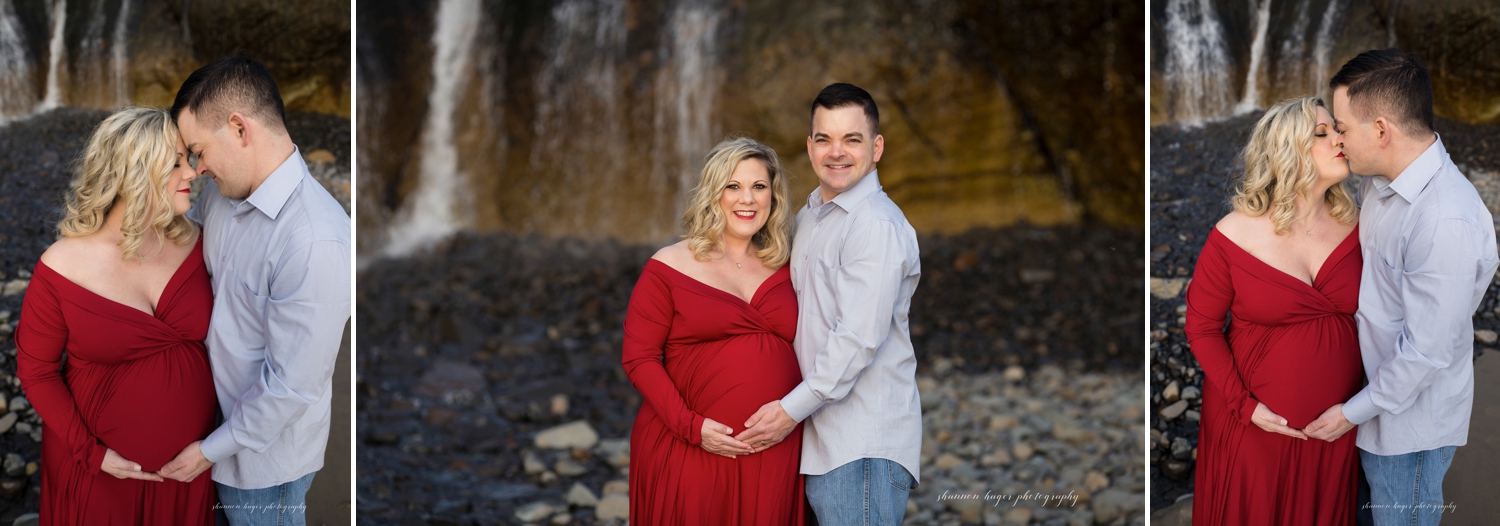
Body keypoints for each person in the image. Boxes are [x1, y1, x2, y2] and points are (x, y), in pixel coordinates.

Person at [152, 54, 352, 526]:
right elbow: (183, 265)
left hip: (263, 465)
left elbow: (291, 386)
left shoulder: (315, 241)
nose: (197, 169)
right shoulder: (224, 196)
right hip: (210, 432)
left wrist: (207, 451)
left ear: (240, 129)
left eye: (198, 150)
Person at [1303, 49, 1498, 526]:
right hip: (1375, 399)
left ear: (1382, 130)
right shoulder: (1382, 183)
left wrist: (1350, 413)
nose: (1339, 141)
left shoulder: (1444, 220)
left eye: (1343, 129)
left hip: (1408, 427)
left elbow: (1426, 353)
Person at [733, 83, 922, 526]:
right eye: (824, 139)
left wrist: (786, 412)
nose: (836, 152)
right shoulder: (811, 216)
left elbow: (857, 339)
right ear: (810, 146)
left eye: (852, 139)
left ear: (876, 147)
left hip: (862, 446)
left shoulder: (874, 224)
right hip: (820, 442)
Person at [16, 107, 216, 525]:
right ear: (134, 173)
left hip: (188, 471)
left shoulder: (198, 242)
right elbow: (36, 371)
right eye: (176, 162)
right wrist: (91, 453)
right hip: (98, 473)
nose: (192, 172)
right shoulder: (62, 265)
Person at [1185, 97, 1364, 525]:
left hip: (1336, 425)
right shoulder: (1233, 234)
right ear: (1288, 151)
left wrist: (1361, 407)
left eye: (1335, 130)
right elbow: (1202, 326)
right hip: (1254, 426)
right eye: (1321, 134)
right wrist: (1244, 406)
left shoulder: (1359, 224)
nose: (1339, 138)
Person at [622, 136, 805, 525]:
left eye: (759, 187)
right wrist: (692, 427)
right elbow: (639, 358)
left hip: (777, 446)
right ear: (713, 193)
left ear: (774, 197)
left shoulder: (792, 265)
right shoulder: (668, 265)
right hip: (691, 446)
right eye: (733, 186)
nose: (748, 199)